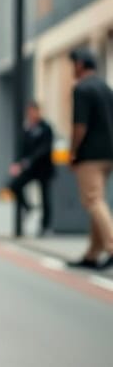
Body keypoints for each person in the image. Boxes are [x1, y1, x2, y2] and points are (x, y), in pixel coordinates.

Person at [67, 48, 113, 270]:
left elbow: (80, 126)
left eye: (73, 64)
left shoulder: (82, 89)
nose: (72, 69)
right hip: (109, 154)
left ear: (80, 64)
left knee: (93, 200)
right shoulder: (106, 88)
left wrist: (73, 151)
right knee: (98, 199)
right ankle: (92, 254)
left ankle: (111, 246)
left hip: (91, 155)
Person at [9, 101, 54, 236]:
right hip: (29, 168)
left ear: (38, 111)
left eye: (33, 111)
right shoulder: (27, 129)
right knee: (14, 186)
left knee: (45, 197)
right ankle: (27, 207)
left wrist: (29, 160)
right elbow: (21, 149)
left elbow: (45, 148)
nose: (31, 114)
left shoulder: (46, 128)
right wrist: (17, 163)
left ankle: (45, 226)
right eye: (29, 112)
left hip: (43, 168)